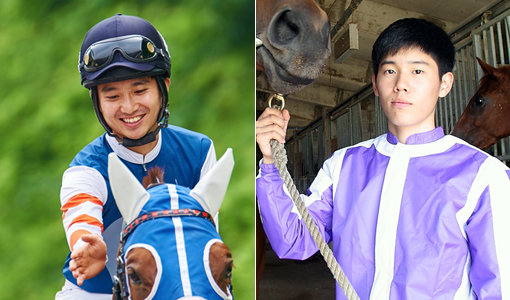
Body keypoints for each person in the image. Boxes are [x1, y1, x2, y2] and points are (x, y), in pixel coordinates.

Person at [256, 18, 510, 299]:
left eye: (417, 71)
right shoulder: (343, 166)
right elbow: (293, 240)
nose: (401, 84)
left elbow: (499, 286)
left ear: (444, 84)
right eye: (390, 70)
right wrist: (270, 162)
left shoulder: (485, 175)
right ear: (376, 84)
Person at [56, 14, 217, 299]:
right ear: (97, 102)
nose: (128, 107)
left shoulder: (200, 152)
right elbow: (82, 221)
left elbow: (205, 240)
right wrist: (87, 246)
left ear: (163, 88)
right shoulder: (84, 171)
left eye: (140, 90)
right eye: (112, 96)